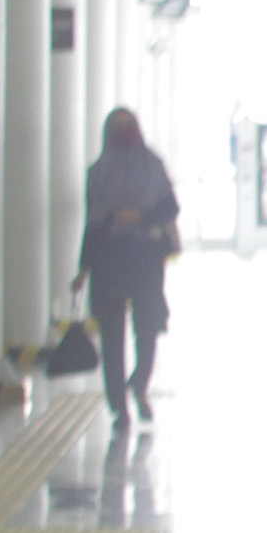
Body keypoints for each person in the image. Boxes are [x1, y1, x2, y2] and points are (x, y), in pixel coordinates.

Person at [74, 108, 180, 426]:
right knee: (112, 334)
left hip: (146, 256)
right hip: (109, 257)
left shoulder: (154, 167)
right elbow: (92, 222)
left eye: (129, 126)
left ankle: (140, 386)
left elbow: (171, 207)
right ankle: (118, 405)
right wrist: (83, 269)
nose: (124, 132)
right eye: (118, 127)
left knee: (146, 328)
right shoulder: (98, 172)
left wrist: (141, 218)